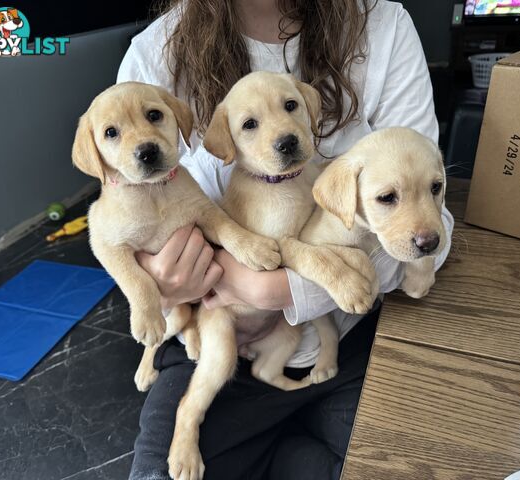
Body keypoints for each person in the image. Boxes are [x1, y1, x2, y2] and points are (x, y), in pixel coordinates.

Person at [117, 1, 454, 478]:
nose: (281, 136)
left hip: (356, 332)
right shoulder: (153, 54)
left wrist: (275, 289)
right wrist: (155, 281)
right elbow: (128, 230)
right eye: (250, 125)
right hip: (225, 330)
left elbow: (432, 220)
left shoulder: (385, 23)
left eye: (291, 108)